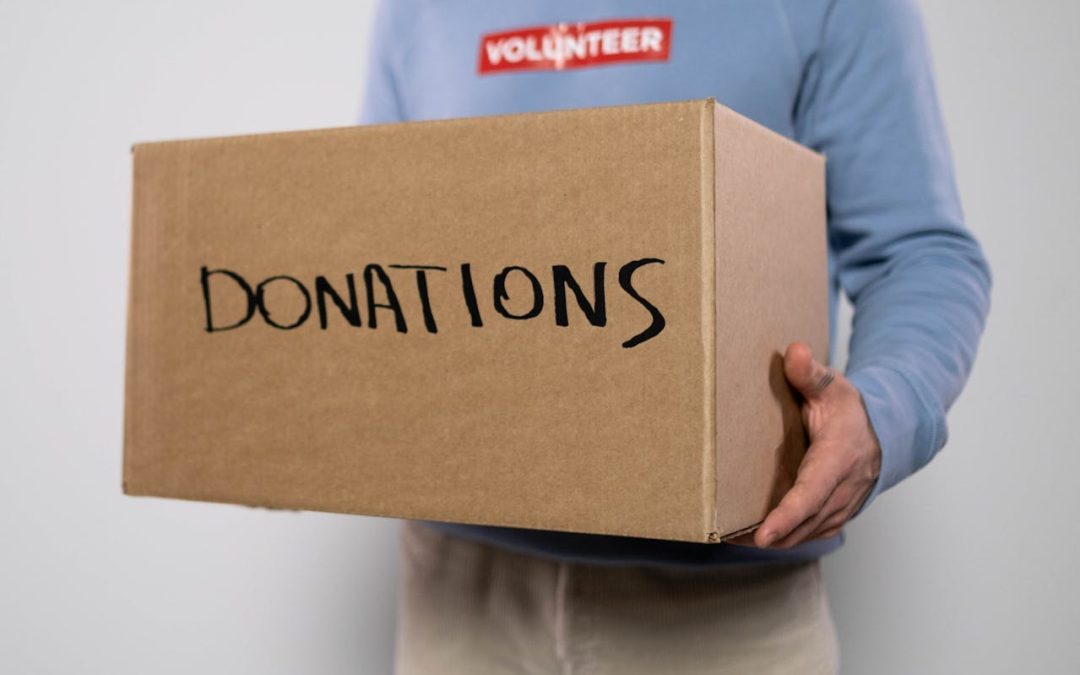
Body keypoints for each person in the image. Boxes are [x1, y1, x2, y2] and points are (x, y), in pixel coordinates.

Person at [360, 1, 992, 673]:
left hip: (727, 595)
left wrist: (882, 415)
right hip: (457, 590)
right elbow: (369, 243)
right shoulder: (417, 11)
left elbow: (916, 253)